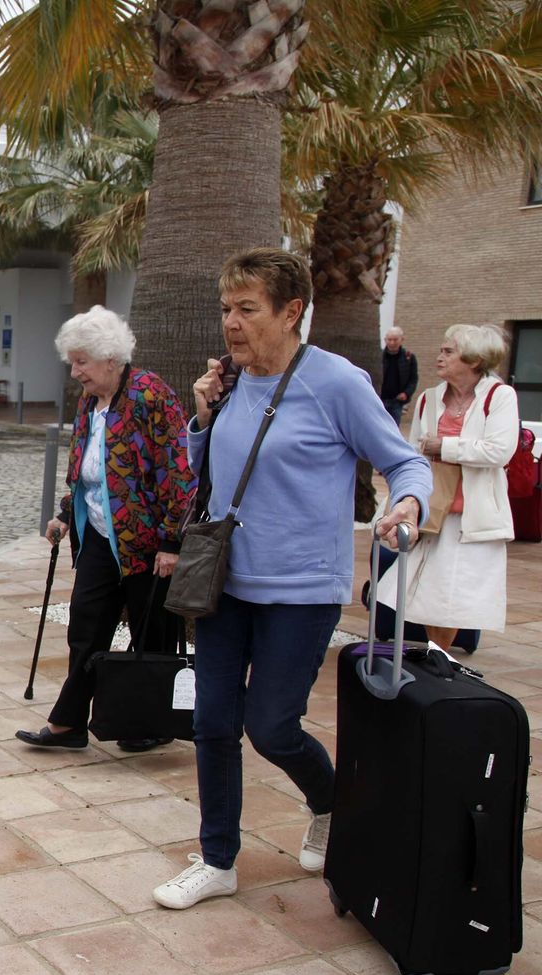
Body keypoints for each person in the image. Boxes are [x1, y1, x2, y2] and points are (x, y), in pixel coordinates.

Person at [152, 248, 431, 911]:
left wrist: (407, 504)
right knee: (214, 722)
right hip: (225, 583)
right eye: (226, 309)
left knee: (272, 726)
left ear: (292, 311)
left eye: (248, 309)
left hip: (301, 590)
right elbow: (204, 480)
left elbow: (403, 461)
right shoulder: (229, 384)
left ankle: (331, 802)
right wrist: (201, 417)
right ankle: (217, 859)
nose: (232, 323)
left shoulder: (335, 382)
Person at [14, 306, 195, 755]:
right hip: (98, 534)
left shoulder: (150, 394)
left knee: (149, 635)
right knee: (86, 627)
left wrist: (172, 540)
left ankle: (150, 721)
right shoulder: (90, 402)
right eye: (72, 362)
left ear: (111, 358)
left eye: (82, 362)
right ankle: (69, 723)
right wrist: (62, 512)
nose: (76, 372)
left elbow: (178, 469)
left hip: (147, 542)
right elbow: (85, 468)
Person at [377, 324, 517, 648]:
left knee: (455, 599)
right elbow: (414, 453)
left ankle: (442, 661)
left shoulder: (499, 396)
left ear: (473, 359)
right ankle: (437, 658)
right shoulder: (428, 399)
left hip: (472, 516)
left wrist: (445, 447)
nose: (439, 357)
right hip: (434, 510)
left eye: (448, 351)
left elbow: (500, 450)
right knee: (428, 593)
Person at [381, 326, 418, 426]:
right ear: (385, 340)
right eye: (389, 339)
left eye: (395, 340)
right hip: (379, 399)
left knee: (394, 428)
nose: (392, 343)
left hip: (397, 402)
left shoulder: (409, 358)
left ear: (402, 339)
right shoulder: (378, 356)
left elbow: (413, 379)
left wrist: (406, 393)